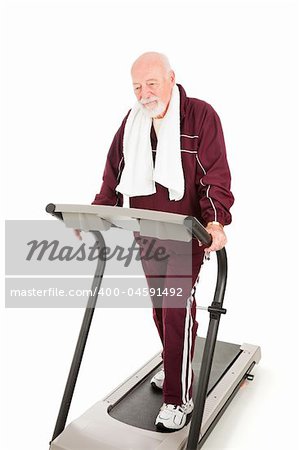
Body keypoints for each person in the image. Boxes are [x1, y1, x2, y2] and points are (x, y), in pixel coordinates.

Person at [77, 51, 234, 431]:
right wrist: (97, 212)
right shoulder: (132, 123)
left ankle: (179, 399)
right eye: (136, 87)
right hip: (146, 229)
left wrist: (215, 222)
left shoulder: (199, 116)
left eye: (151, 83)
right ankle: (174, 363)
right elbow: (113, 174)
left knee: (178, 308)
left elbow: (215, 174)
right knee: (161, 308)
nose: (144, 93)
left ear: (171, 78)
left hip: (185, 232)